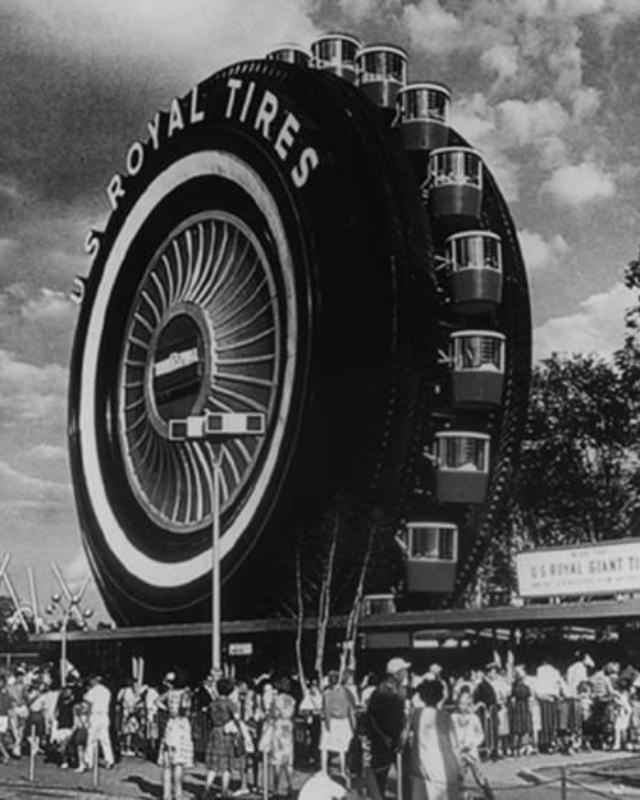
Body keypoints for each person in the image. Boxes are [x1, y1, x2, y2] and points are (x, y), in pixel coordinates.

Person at [407, 679, 461, 800]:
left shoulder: (415, 715)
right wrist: (460, 768)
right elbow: (455, 746)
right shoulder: (446, 717)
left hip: (423, 768)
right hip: (445, 769)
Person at [366, 657, 410, 800]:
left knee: (405, 776)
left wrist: (404, 731)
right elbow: (372, 718)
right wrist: (383, 737)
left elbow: (404, 714)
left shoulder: (402, 691)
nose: (406, 673)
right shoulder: (380, 692)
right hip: (382, 743)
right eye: (403, 671)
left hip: (400, 741)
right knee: (380, 777)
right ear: (395, 673)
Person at [157, 672, 193, 800]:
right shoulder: (185, 693)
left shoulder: (170, 692)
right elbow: (185, 709)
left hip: (171, 724)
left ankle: (166, 794)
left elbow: (157, 701)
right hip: (182, 725)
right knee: (178, 763)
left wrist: (167, 710)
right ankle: (178, 793)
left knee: (167, 764)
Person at [204, 677, 241, 799]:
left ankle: (207, 788)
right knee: (226, 763)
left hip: (214, 732)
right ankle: (224, 790)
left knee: (213, 763)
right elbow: (237, 718)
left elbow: (208, 717)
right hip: (226, 733)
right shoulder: (231, 704)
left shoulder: (212, 704)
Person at [320, 670, 356, 783]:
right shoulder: (344, 691)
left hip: (336, 721)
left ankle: (326, 771)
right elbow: (351, 709)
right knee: (341, 748)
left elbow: (325, 709)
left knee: (327, 747)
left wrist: (327, 724)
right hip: (340, 721)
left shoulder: (329, 692)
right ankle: (340, 771)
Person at [270, 677, 297, 799]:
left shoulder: (276, 700)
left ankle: (275, 789)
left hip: (278, 726)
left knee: (277, 760)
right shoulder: (292, 700)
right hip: (288, 726)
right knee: (288, 761)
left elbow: (273, 714)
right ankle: (290, 787)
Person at [82, 675, 115, 771]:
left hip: (95, 715)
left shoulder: (92, 691)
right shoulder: (107, 691)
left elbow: (89, 705)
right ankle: (109, 760)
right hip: (104, 716)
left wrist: (87, 718)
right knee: (105, 740)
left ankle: (89, 762)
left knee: (91, 739)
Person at [116, 677, 139, 756]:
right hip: (128, 712)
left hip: (125, 711)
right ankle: (127, 748)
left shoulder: (122, 691)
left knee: (125, 731)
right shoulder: (129, 691)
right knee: (128, 731)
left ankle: (123, 747)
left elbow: (118, 700)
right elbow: (131, 702)